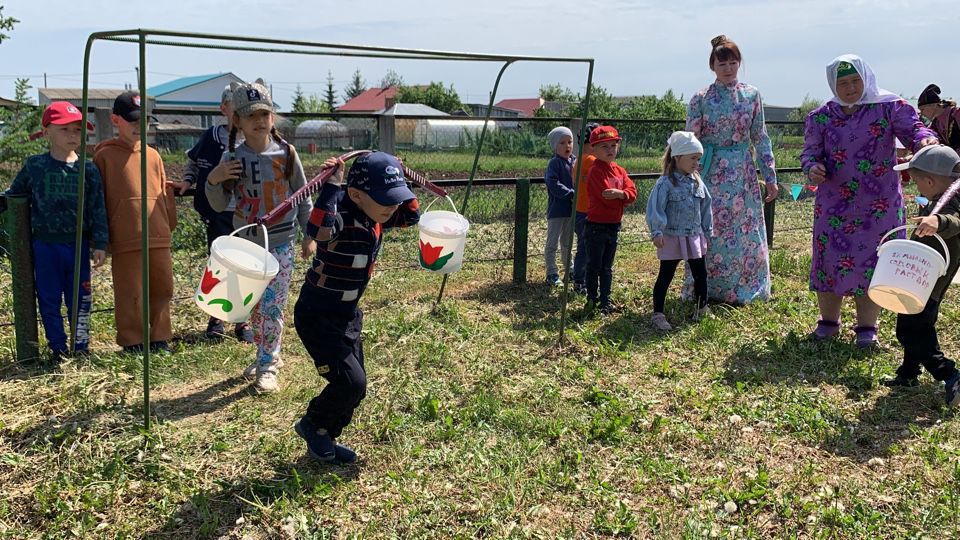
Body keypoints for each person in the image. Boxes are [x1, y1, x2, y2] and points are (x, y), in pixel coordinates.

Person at [801, 54, 938, 347]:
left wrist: (925, 140)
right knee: (829, 261)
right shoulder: (821, 116)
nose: (849, 88)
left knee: (873, 261)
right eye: (842, 83)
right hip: (833, 203)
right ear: (832, 85)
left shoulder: (889, 107)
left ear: (866, 78)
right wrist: (812, 168)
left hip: (879, 204)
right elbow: (810, 153)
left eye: (854, 81)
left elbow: (915, 130)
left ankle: (866, 328)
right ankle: (828, 323)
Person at [293, 151, 420, 463]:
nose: (393, 208)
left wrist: (399, 175)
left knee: (356, 386)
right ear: (355, 194)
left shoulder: (375, 215)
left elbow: (413, 215)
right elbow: (318, 231)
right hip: (318, 315)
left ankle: (325, 435)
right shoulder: (342, 216)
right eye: (386, 199)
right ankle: (313, 424)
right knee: (351, 382)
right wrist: (332, 186)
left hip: (347, 314)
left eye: (396, 199)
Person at [205, 79, 310, 393]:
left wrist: (310, 233)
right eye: (251, 115)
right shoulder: (231, 159)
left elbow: (303, 195)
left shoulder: (287, 154)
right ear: (237, 120)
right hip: (246, 248)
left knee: (273, 307)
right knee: (252, 307)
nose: (260, 121)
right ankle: (267, 355)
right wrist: (213, 179)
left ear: (272, 118)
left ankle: (267, 364)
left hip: (280, 243)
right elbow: (220, 203)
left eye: (264, 114)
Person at [8, 102, 108, 360]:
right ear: (46, 131)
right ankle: (58, 348)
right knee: (49, 299)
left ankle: (81, 347)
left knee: (81, 299)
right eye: (65, 130)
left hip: (77, 246)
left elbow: (97, 207)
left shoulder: (88, 169)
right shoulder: (35, 166)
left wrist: (100, 242)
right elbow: (14, 197)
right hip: (45, 246)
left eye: (77, 130)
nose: (73, 135)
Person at [686, 35, 778, 305]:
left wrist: (770, 176)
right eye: (722, 62)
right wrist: (687, 175)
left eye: (733, 62)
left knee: (745, 230)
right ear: (712, 65)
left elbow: (760, 137)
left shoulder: (751, 95)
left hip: (743, 173)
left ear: (739, 64)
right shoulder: (701, 98)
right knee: (710, 227)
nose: (728, 68)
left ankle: (745, 288)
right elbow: (691, 139)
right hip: (710, 171)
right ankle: (706, 287)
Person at [94, 91, 177, 354]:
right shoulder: (104, 156)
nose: (138, 127)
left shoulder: (153, 155)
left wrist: (168, 222)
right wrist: (102, 239)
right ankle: (133, 341)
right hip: (125, 236)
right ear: (115, 120)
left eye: (143, 121)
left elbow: (163, 190)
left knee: (163, 286)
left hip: (158, 234)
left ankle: (161, 337)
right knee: (130, 291)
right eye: (132, 121)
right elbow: (98, 200)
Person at [174, 85, 253, 343]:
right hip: (218, 212)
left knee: (244, 266)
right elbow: (194, 162)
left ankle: (242, 321)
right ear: (224, 109)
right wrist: (187, 181)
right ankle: (216, 318)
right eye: (235, 105)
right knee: (218, 264)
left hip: (246, 214)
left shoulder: (253, 141)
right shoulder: (212, 137)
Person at [884, 144, 960, 407]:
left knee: (911, 331)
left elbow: (954, 221)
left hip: (929, 282)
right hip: (919, 278)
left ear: (930, 180)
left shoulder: (951, 202)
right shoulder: (937, 197)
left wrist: (937, 221)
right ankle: (908, 374)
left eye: (917, 182)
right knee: (914, 323)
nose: (917, 188)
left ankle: (949, 374)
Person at [646, 131, 713, 331]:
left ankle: (702, 307)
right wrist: (657, 232)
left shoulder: (698, 182)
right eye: (693, 158)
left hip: (693, 235)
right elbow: (655, 208)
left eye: (698, 159)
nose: (696, 162)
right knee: (666, 274)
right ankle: (658, 313)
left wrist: (707, 232)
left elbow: (706, 208)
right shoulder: (665, 183)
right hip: (672, 237)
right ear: (677, 157)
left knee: (700, 274)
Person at [583, 125, 637, 314]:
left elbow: (632, 192)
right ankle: (592, 298)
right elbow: (606, 197)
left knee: (607, 267)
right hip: (596, 226)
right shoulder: (596, 171)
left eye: (613, 146)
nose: (610, 150)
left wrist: (621, 195)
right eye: (604, 147)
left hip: (613, 226)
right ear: (593, 149)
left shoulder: (620, 171)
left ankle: (605, 301)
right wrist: (623, 198)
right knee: (594, 265)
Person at [543, 126, 575, 286]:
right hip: (557, 210)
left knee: (567, 242)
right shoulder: (554, 164)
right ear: (555, 146)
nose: (567, 146)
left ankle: (570, 269)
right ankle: (551, 273)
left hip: (571, 210)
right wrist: (571, 193)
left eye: (570, 142)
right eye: (562, 143)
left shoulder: (575, 162)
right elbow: (553, 183)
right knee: (552, 243)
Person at [572, 121, 600, 294]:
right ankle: (581, 280)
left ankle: (579, 279)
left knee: (582, 246)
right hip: (589, 211)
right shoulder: (592, 161)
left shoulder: (578, 160)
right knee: (587, 247)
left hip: (579, 210)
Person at [917, 84, 960, 153]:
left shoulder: (956, 114)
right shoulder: (936, 123)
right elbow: (927, 135)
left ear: (933, 105)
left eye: (922, 109)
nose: (922, 113)